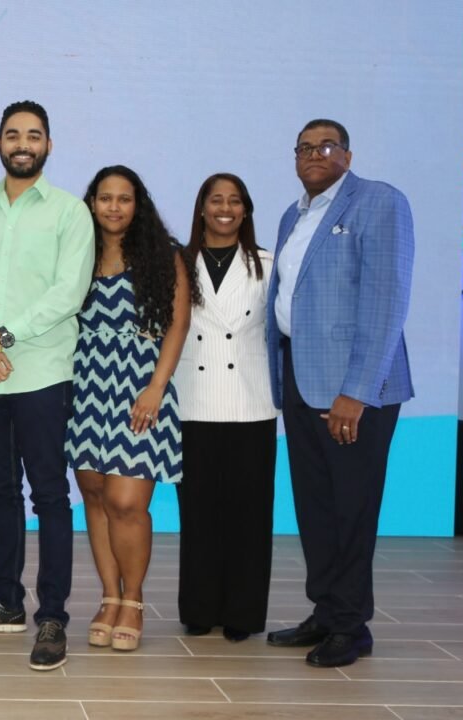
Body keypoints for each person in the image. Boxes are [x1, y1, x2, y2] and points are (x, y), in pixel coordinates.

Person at [0, 100, 94, 671]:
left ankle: (51, 615)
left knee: (50, 497)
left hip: (43, 376)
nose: (22, 143)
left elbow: (67, 293)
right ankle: (5, 599)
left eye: (33, 135)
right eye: (12, 134)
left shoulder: (69, 213)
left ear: (49, 145)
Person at [265, 119, 414, 668]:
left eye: (324, 146)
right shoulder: (292, 215)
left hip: (354, 391)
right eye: (303, 147)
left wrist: (358, 391)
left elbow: (386, 301)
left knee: (351, 508)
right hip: (302, 383)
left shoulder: (378, 203)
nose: (312, 154)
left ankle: (352, 628)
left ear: (347, 156)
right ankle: (326, 612)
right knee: (317, 507)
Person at [66, 166, 194, 652]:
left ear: (138, 205)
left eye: (124, 199)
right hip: (85, 387)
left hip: (141, 389)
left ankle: (134, 600)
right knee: (96, 496)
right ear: (91, 202)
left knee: (127, 502)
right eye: (105, 198)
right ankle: (108, 597)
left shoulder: (164, 256)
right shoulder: (77, 253)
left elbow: (177, 326)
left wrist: (156, 387)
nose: (114, 207)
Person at [172, 173, 277, 643]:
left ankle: (244, 612)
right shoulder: (177, 262)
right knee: (197, 514)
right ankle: (199, 608)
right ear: (201, 208)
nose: (226, 208)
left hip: (251, 401)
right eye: (216, 199)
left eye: (236, 200)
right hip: (192, 401)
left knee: (250, 515)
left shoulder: (268, 265)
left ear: (246, 210)